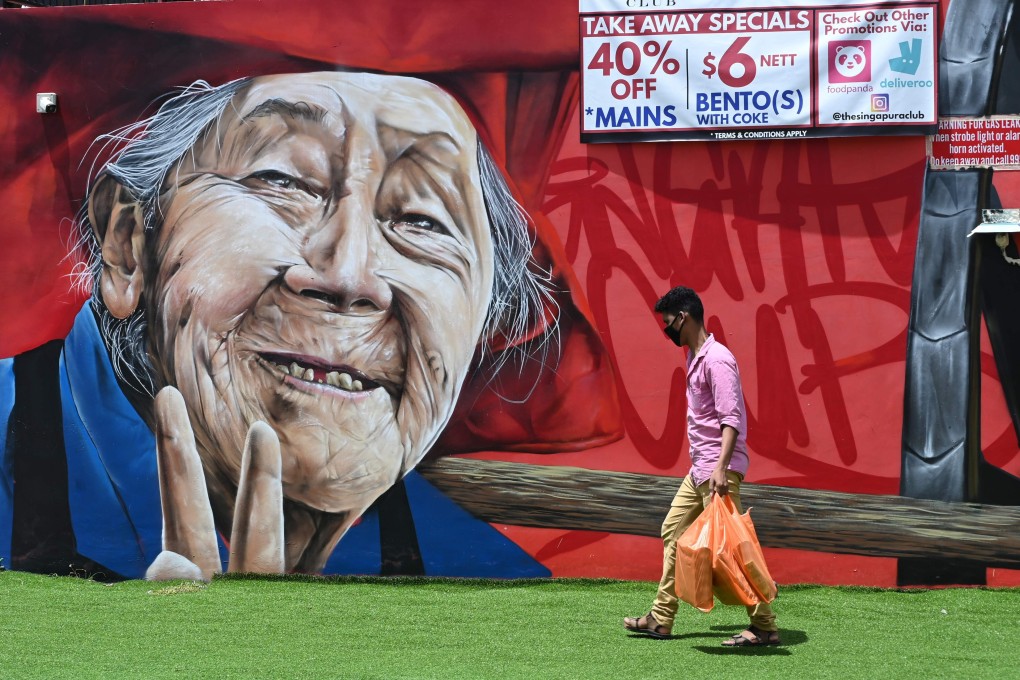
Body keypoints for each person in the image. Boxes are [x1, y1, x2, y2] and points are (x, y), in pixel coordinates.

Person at [0, 71, 558, 581]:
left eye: (420, 219)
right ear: (128, 246)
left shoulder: (482, 579)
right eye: (284, 181)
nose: (349, 276)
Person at [623, 286, 780, 646]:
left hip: (718, 472)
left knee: (733, 548)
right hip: (701, 471)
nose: (667, 330)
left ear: (684, 317)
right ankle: (661, 618)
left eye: (669, 322)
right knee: (673, 531)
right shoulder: (695, 358)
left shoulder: (717, 359)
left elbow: (732, 419)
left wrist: (722, 468)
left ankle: (766, 626)